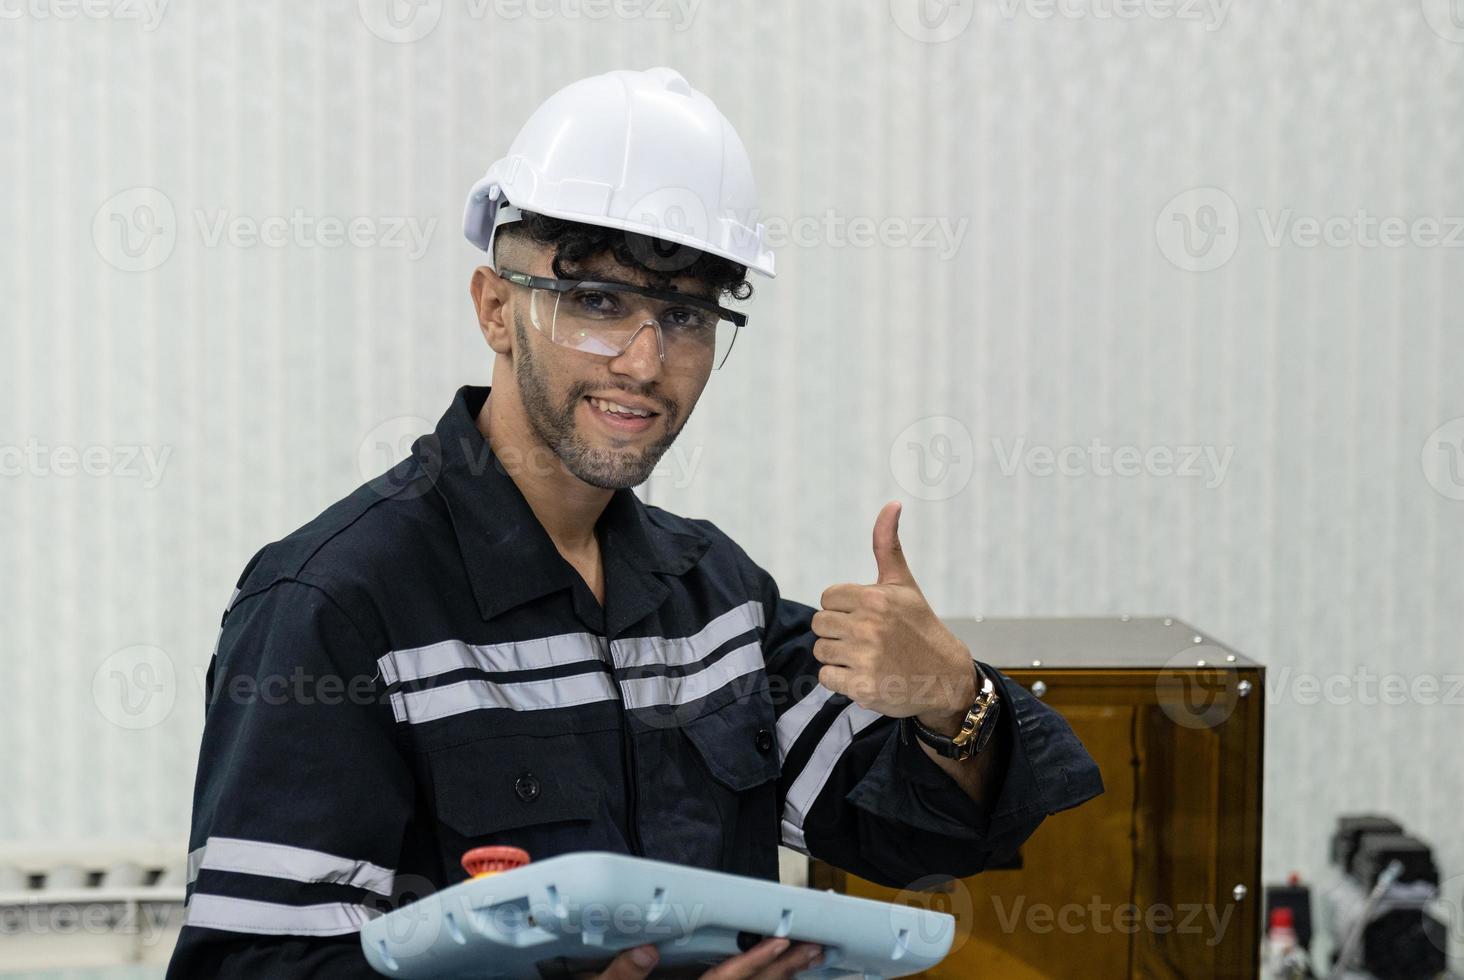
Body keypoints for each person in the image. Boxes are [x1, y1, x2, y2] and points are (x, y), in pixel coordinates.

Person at [167, 66, 1103, 979]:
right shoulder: (334, 610)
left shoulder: (713, 601)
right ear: (496, 308)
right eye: (599, 303)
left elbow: (908, 831)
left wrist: (954, 704)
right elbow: (254, 964)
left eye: (687, 316)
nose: (647, 362)